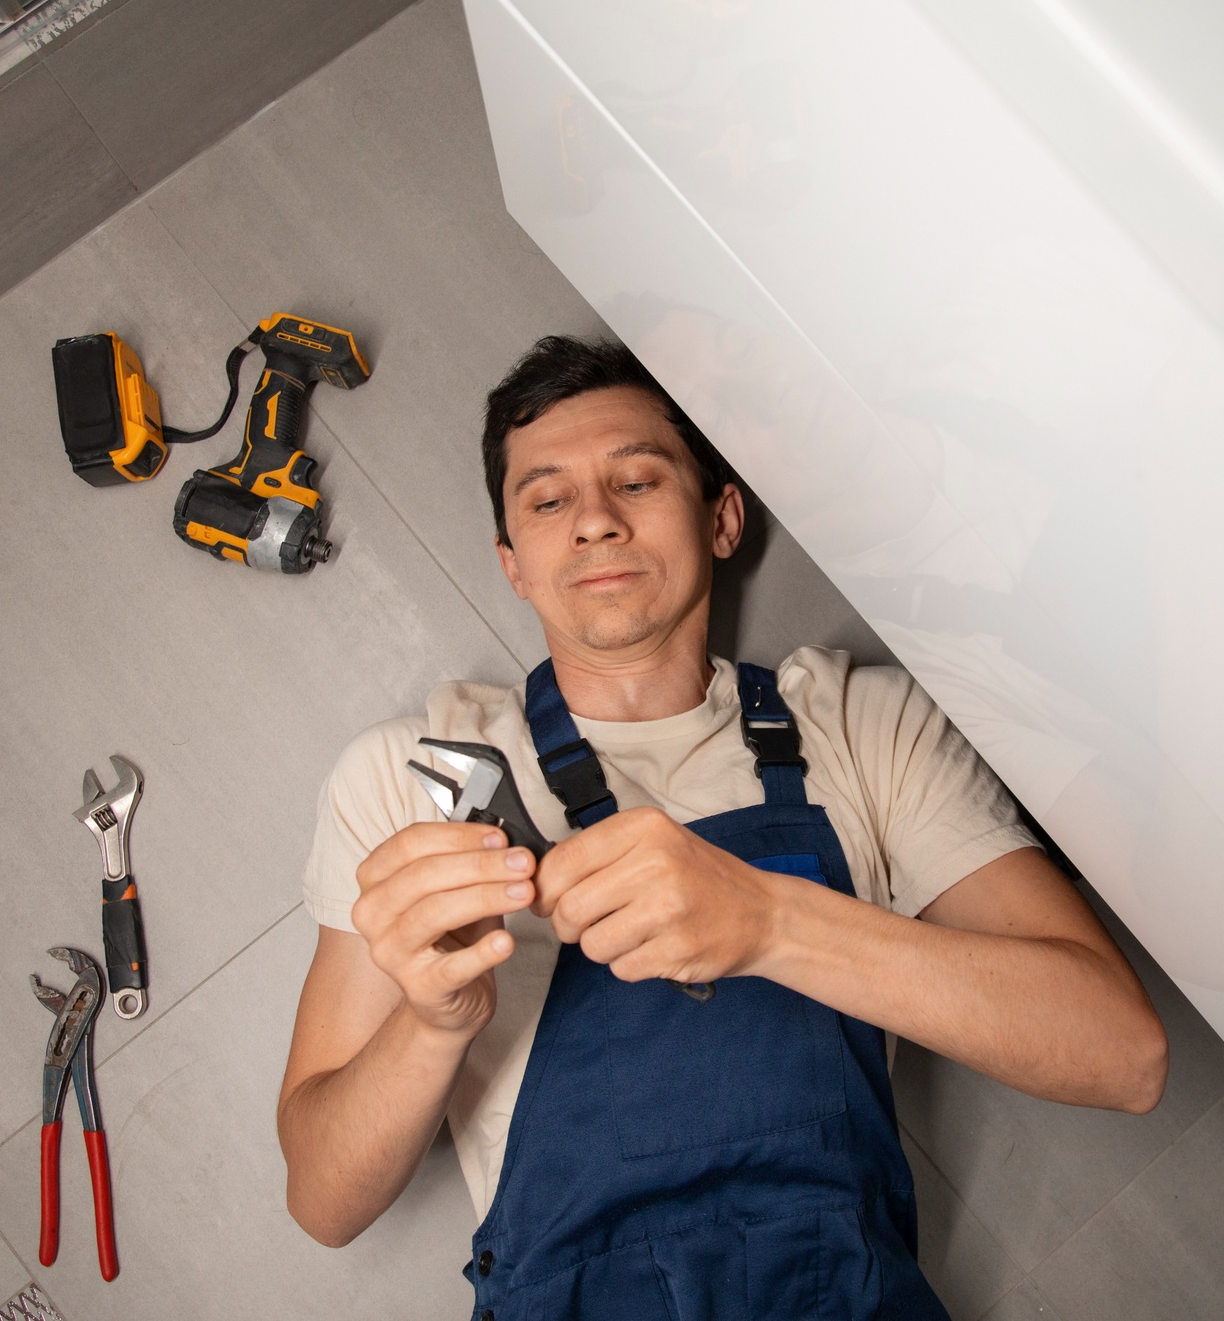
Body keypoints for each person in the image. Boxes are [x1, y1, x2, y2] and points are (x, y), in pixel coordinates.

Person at [277, 337, 1168, 1318]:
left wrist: (768, 922)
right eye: (545, 500)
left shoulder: (864, 728)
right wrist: (431, 1022)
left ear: (722, 517)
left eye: (636, 478)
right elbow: (321, 1198)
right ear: (512, 564)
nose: (594, 522)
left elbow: (1122, 1056)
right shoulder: (408, 779)